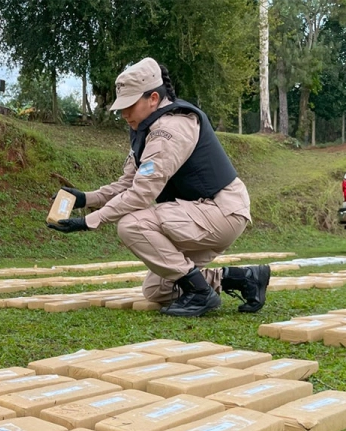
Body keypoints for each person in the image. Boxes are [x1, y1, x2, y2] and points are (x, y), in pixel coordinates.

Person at [47, 57, 269, 317]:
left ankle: (201, 293)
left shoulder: (171, 129)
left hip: (221, 211)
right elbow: (128, 183)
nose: (124, 114)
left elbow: (142, 194)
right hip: (201, 213)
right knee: (158, 289)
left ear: (153, 98)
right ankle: (243, 278)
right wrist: (86, 199)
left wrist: (89, 221)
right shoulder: (147, 129)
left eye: (130, 105)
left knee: (132, 225)